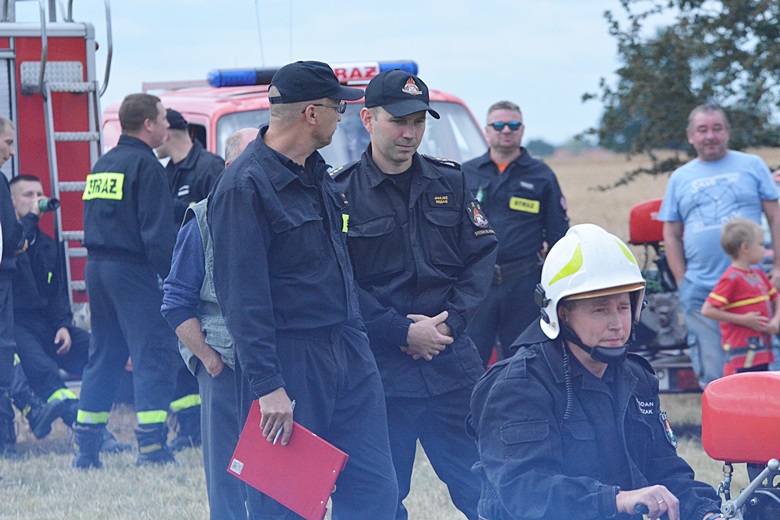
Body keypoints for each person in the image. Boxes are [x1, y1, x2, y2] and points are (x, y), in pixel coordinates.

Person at [208, 61, 398, 519]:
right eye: (338, 107)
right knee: (286, 505)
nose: (343, 116)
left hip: (348, 352)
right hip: (290, 363)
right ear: (311, 114)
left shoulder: (317, 173)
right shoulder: (244, 187)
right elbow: (242, 299)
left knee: (376, 494)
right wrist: (268, 386)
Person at [469, 224, 722, 520]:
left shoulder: (636, 378)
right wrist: (618, 500)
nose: (616, 323)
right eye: (600, 310)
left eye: (623, 307)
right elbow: (526, 493)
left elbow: (665, 469)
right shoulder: (517, 386)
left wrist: (707, 512)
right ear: (561, 315)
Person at [333, 69, 498, 520]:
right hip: (379, 373)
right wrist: (399, 331)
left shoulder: (451, 182)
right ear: (367, 119)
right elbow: (337, 281)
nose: (410, 133)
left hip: (450, 365)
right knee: (373, 501)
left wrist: (451, 323)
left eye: (419, 122)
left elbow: (482, 258)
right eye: (398, 121)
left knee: (489, 491)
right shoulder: (339, 194)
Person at [73, 93, 180, 469]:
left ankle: (86, 448)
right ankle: (152, 449)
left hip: (97, 270)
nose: (168, 126)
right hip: (132, 273)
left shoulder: (103, 164)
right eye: (164, 119)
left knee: (104, 356)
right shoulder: (146, 166)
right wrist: (175, 280)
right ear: (148, 124)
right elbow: (157, 234)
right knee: (153, 355)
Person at [161, 127, 257, 519]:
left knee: (284, 476)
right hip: (226, 367)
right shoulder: (202, 219)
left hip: (281, 364)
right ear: (230, 166)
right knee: (228, 476)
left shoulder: (287, 214)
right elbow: (175, 303)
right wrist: (211, 362)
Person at [659, 103, 780, 388]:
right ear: (691, 136)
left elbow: (775, 217)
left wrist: (777, 266)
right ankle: (722, 428)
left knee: (764, 366)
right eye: (702, 130)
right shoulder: (680, 178)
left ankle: (767, 428)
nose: (710, 136)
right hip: (702, 289)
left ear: (728, 132)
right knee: (714, 367)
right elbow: (671, 233)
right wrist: (682, 281)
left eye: (717, 128)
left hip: (751, 284)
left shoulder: (752, 166)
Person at [462, 100, 569, 364]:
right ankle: (472, 407)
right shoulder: (466, 173)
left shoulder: (541, 175)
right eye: (498, 125)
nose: (506, 130)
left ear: (522, 130)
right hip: (477, 285)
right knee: (469, 360)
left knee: (522, 361)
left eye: (513, 125)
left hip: (523, 284)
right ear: (487, 130)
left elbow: (558, 236)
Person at [156, 108, 224, 452]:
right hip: (175, 278)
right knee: (179, 353)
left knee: (205, 348)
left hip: (204, 282)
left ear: (167, 132)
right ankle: (187, 427)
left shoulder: (210, 167)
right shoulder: (165, 173)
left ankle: (200, 428)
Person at [9, 175, 85, 417]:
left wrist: (63, 325)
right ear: (10, 202)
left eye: (40, 194)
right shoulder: (6, 244)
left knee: (96, 350)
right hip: (16, 326)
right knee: (44, 371)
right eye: (28, 195)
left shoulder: (48, 245)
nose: (37, 200)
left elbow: (58, 293)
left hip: (48, 325)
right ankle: (83, 428)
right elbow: (16, 242)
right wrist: (30, 217)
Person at [701, 218, 778, 375]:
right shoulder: (731, 278)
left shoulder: (759, 274)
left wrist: (776, 322)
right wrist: (744, 320)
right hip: (741, 357)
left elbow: (777, 299)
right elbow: (707, 310)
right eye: (761, 244)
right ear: (744, 248)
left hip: (764, 352)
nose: (764, 250)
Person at [156, 108, 225, 224]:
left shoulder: (211, 167)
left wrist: (182, 209)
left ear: (165, 134)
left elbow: (221, 215)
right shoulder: (167, 172)